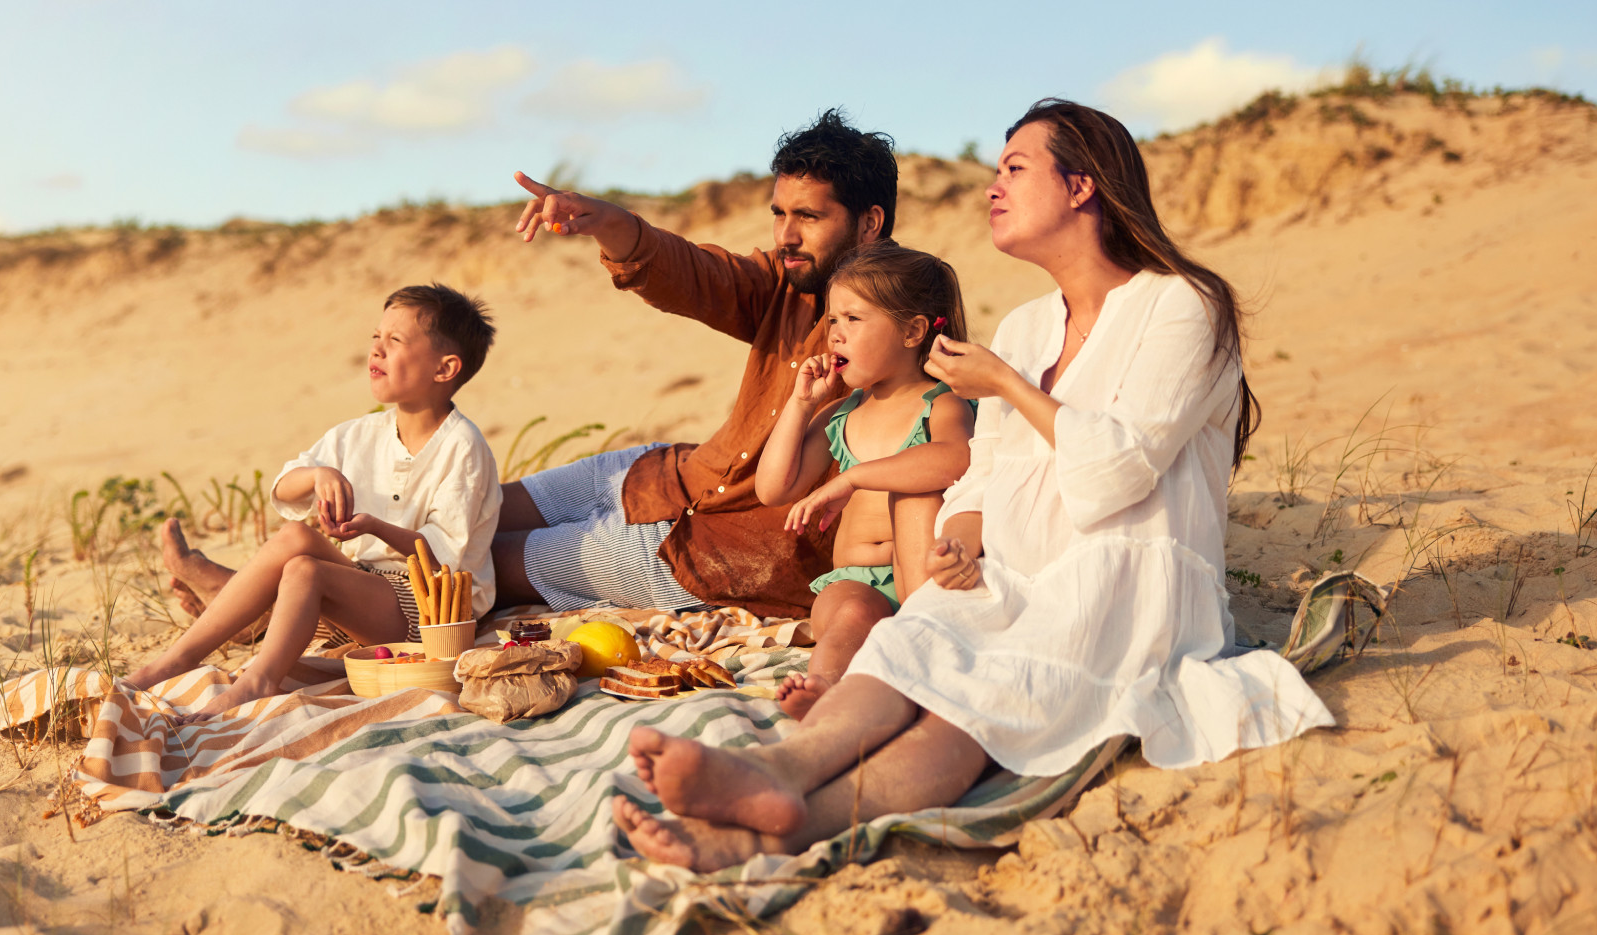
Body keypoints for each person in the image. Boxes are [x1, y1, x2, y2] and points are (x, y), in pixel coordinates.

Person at [612, 99, 1336, 871]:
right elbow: (986, 470)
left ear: (1082, 187)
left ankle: (791, 826)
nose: (994, 187)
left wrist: (1005, 384)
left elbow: (1119, 472)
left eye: (1015, 169)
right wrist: (961, 537)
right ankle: (776, 773)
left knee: (966, 708)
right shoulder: (1027, 325)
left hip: (1124, 577)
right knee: (907, 643)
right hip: (1013, 574)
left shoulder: (1182, 305)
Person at [496, 110, 932, 619]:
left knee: (486, 562)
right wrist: (612, 225)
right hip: (676, 474)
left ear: (869, 223)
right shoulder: (784, 279)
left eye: (808, 217)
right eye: (779, 214)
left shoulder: (901, 326)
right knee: (476, 509)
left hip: (730, 557)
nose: (785, 235)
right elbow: (696, 275)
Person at [123, 285, 501, 722]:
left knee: (306, 571)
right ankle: (176, 660)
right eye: (375, 338)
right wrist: (318, 476)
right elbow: (284, 490)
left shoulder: (463, 446)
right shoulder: (358, 434)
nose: (376, 350)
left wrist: (372, 526)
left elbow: (441, 558)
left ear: (445, 368)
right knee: (294, 536)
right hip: (371, 585)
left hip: (434, 609)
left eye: (394, 342)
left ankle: (258, 681)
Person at [757, 242, 975, 720]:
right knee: (853, 617)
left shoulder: (942, 404)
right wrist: (801, 404)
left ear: (912, 331)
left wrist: (852, 478)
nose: (836, 335)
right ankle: (822, 687)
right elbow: (774, 488)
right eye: (833, 320)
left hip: (923, 579)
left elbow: (954, 459)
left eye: (853, 320)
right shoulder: (842, 414)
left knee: (896, 636)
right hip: (854, 582)